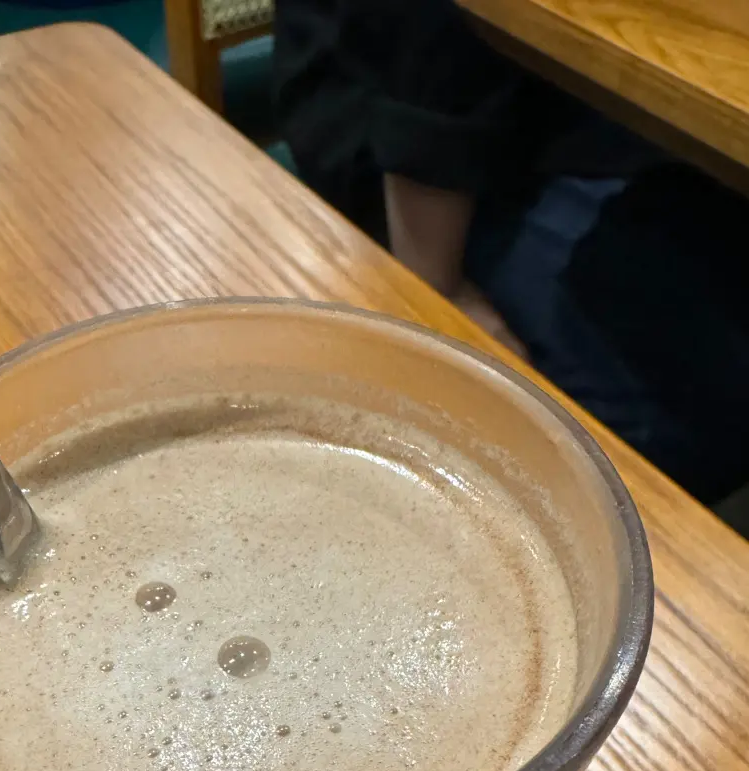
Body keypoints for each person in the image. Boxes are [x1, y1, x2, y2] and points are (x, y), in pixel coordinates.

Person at [274, 0, 749, 506]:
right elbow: (424, 53)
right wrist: (438, 297)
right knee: (671, 414)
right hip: (399, 118)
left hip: (608, 109)